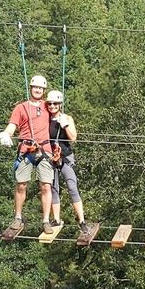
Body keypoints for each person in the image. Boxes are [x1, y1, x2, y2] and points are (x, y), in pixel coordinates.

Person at [0, 75, 55, 234]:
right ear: (31, 88)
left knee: (46, 186)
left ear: (44, 90)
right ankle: (17, 217)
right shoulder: (21, 108)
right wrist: (6, 134)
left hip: (44, 150)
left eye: (40, 88)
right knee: (21, 184)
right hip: (26, 149)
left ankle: (46, 220)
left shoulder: (47, 106)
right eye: (35, 87)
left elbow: (58, 117)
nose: (37, 90)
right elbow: (12, 125)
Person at [46, 90, 89, 234]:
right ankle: (56, 219)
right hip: (51, 156)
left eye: (55, 104)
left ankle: (82, 221)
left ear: (60, 104)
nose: (52, 106)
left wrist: (65, 125)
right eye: (50, 103)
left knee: (72, 186)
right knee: (53, 188)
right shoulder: (46, 120)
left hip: (65, 156)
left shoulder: (67, 118)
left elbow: (73, 138)